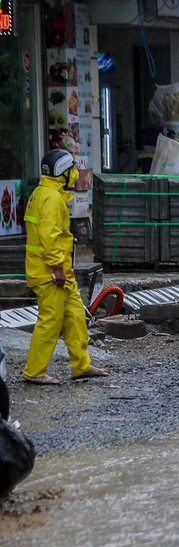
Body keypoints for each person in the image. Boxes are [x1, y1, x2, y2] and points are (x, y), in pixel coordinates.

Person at [22, 150, 108, 385]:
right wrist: (58, 267)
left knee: (75, 317)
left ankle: (81, 365)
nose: (75, 174)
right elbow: (50, 237)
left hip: (56, 271)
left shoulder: (44, 194)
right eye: (72, 170)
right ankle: (34, 371)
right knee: (51, 320)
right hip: (50, 273)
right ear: (63, 171)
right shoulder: (50, 198)